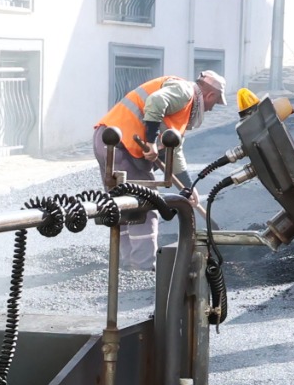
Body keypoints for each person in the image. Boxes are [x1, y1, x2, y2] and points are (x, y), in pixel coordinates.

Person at [93, 70, 223, 265]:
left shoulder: (182, 108)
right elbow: (155, 102)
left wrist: (188, 187)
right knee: (145, 203)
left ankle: (125, 263)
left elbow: (174, 151)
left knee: (122, 203)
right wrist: (151, 142)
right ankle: (144, 266)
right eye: (215, 103)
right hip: (121, 145)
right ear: (210, 95)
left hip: (108, 141)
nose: (212, 109)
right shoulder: (184, 91)